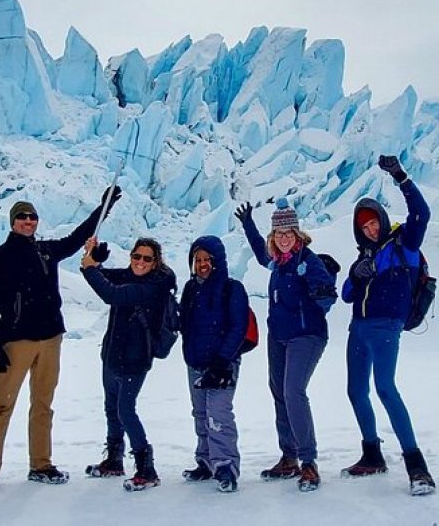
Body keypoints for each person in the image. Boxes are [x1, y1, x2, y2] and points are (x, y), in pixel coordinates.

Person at [0, 186, 121, 490]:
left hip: (51, 338)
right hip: (15, 341)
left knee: (43, 404)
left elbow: (77, 239)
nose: (29, 221)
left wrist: (101, 209)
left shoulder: (45, 251)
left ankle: (41, 464)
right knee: (2, 404)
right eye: (23, 217)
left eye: (33, 217)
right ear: (13, 222)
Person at [340, 155, 435, 496]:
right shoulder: (363, 256)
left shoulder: (404, 244)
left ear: (382, 218)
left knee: (384, 388)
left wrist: (401, 177)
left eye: (373, 222)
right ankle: (372, 454)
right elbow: (347, 295)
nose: (370, 229)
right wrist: (356, 273)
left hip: (386, 328)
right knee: (355, 391)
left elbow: (422, 214)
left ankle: (417, 466)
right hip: (358, 329)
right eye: (363, 226)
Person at [235, 198, 336, 492]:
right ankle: (289, 457)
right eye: (278, 234)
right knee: (279, 391)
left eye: (288, 233)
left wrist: (320, 293)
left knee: (293, 392)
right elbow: (259, 255)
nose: (283, 238)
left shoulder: (308, 261)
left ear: (297, 234)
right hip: (278, 336)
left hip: (306, 335)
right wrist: (248, 225)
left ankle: (309, 463)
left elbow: (328, 295)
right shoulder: (278, 262)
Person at [80, 236, 176, 492]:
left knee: (125, 410)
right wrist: (95, 260)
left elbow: (111, 293)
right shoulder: (129, 277)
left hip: (135, 359)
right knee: (112, 407)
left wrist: (90, 267)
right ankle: (114, 459)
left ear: (155, 263)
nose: (140, 262)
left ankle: (147, 467)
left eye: (147, 258)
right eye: (137, 256)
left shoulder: (153, 287)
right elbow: (105, 277)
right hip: (112, 355)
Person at [178, 236, 248, 493]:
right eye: (198, 260)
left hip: (223, 364)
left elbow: (238, 326)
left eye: (208, 259)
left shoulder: (232, 288)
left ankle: (226, 465)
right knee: (200, 413)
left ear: (218, 261)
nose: (203, 264)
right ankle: (206, 461)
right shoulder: (190, 288)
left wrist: (222, 362)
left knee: (218, 414)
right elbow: (184, 322)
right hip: (195, 362)